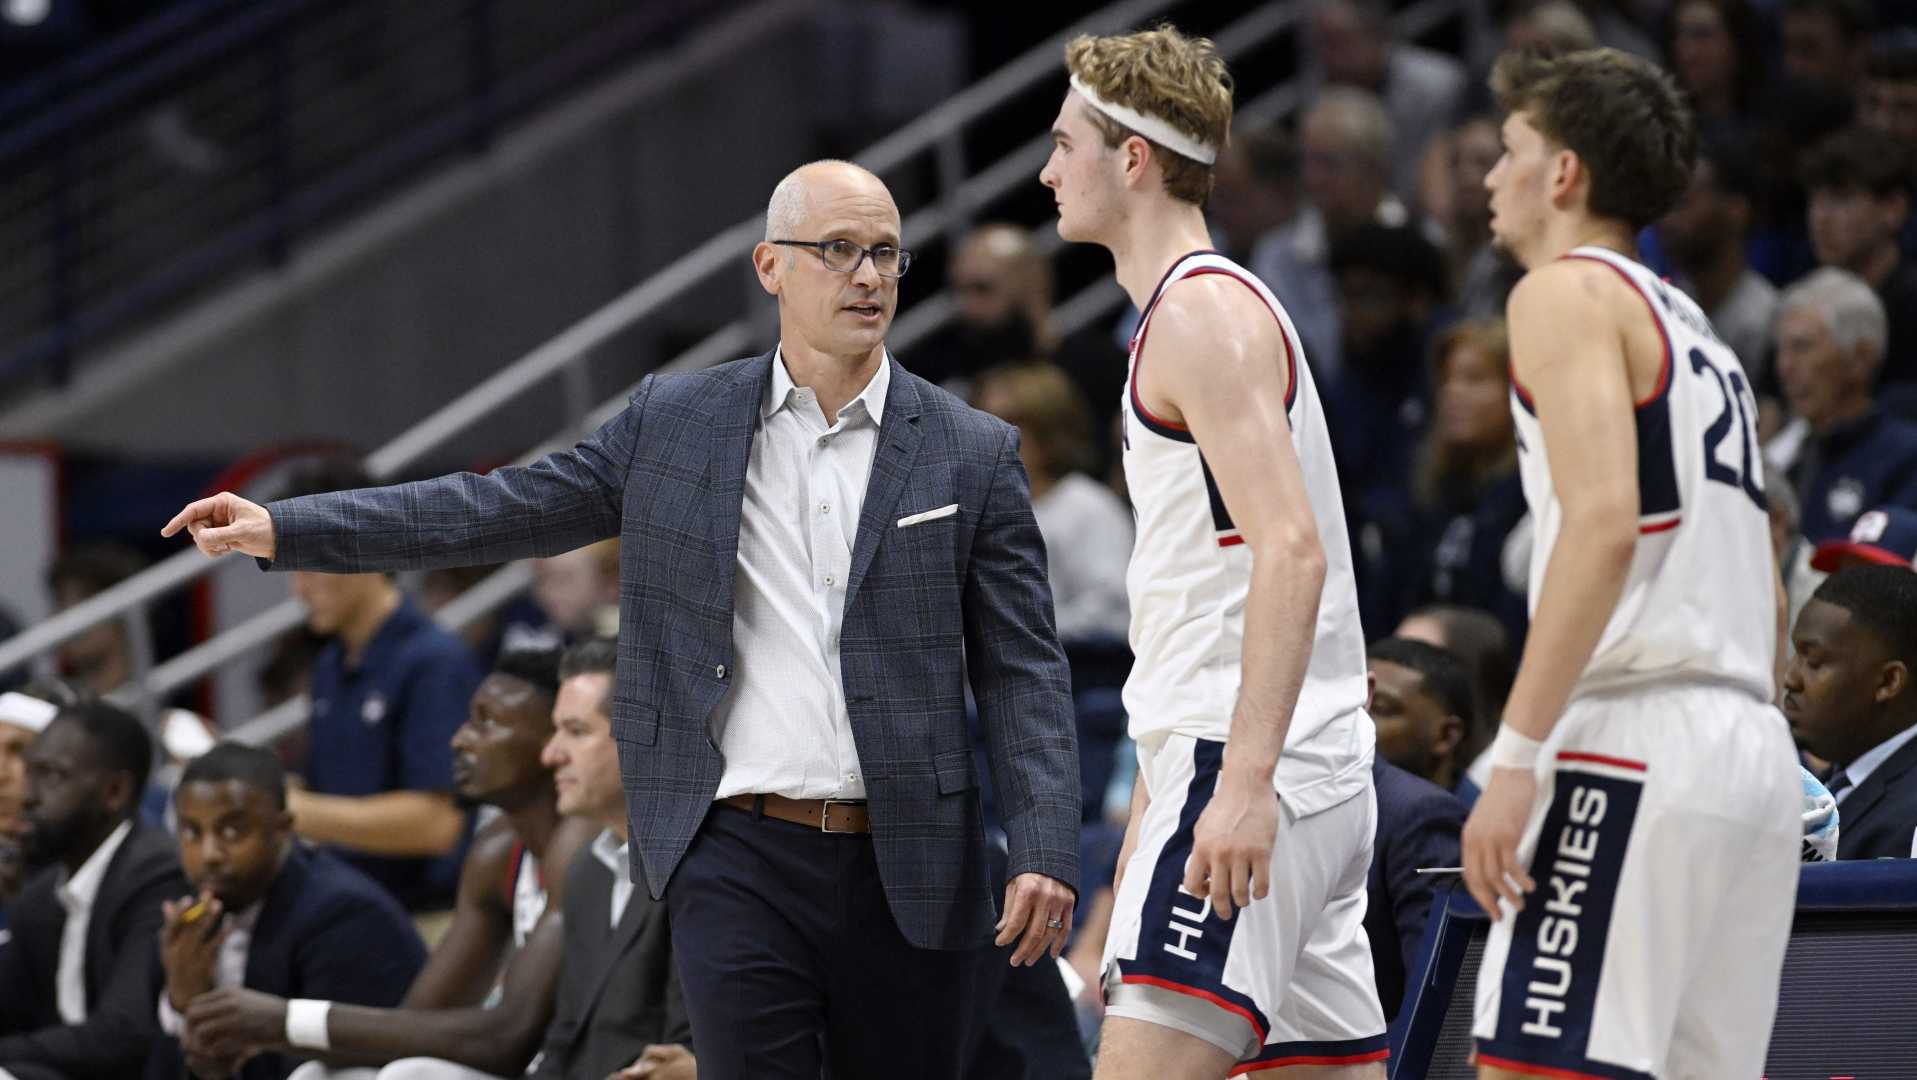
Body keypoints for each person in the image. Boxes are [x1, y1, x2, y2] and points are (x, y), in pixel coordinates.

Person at [164, 157, 1081, 1080]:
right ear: (770, 267)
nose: (869, 276)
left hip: (916, 854)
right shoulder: (675, 421)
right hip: (736, 848)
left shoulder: (971, 450)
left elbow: (1022, 669)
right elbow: (500, 509)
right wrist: (290, 529)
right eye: (838, 250)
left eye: (886, 254)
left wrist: (1043, 846)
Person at [1042, 26, 1388, 1078]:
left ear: (1131, 160)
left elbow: (1293, 553)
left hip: (1248, 778)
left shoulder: (1200, 314)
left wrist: (1235, 785)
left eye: (1066, 144)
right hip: (1281, 773)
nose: (1048, 168)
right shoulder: (1206, 309)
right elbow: (1210, 593)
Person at [1463, 47, 1802, 1079]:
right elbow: (1769, 568)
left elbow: (1606, 526)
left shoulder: (1562, 295)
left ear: (1563, 173)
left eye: (1510, 150)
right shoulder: (1699, 333)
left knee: (1538, 1065)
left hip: (1639, 735)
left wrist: (1515, 755)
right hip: (1751, 751)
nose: (1489, 177)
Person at [184, 646, 598, 1079]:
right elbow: (421, 1015)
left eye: (486, 722)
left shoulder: (582, 842)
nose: (459, 740)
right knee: (321, 1075)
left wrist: (286, 1021)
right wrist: (268, 1035)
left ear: (555, 742)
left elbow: (505, 1038)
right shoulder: (497, 852)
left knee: (411, 1076)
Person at [273, 460, 486, 911]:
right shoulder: (331, 663)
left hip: (425, 916)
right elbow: (329, 793)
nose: (298, 590)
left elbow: (438, 823)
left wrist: (300, 812)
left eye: (308, 567)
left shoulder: (434, 660)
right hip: (349, 905)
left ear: (363, 548)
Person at [148, 743, 427, 1080]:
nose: (210, 853)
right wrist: (181, 1002)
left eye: (232, 830)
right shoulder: (189, 918)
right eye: (192, 831)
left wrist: (201, 1024)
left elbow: (311, 1073)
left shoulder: (344, 916)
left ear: (283, 829)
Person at [0, 702, 188, 1080]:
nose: (29, 796)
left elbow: (122, 1035)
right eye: (30, 773)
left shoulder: (157, 877)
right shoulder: (40, 898)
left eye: (51, 776)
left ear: (114, 791)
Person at [972, 363, 1132, 645]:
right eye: (983, 421)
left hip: (1077, 675)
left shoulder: (1087, 507)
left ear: (1049, 430)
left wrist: (1016, 633)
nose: (992, 437)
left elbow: (1114, 612)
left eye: (1008, 422)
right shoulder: (974, 510)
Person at [1766, 269, 1917, 542]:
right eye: (1781, 349)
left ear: (1860, 358)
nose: (1783, 367)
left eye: (1801, 347)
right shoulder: (1782, 456)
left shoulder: (1906, 459)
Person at [1782, 564, 1917, 860]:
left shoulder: (1909, 821)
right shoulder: (1829, 780)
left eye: (1814, 661)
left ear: (1888, 681)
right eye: (1795, 654)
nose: (1790, 678)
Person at [1367, 637, 1478, 805]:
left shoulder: (1477, 825)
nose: (1356, 721)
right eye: (1352, 707)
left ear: (1446, 735)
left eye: (1381, 708)